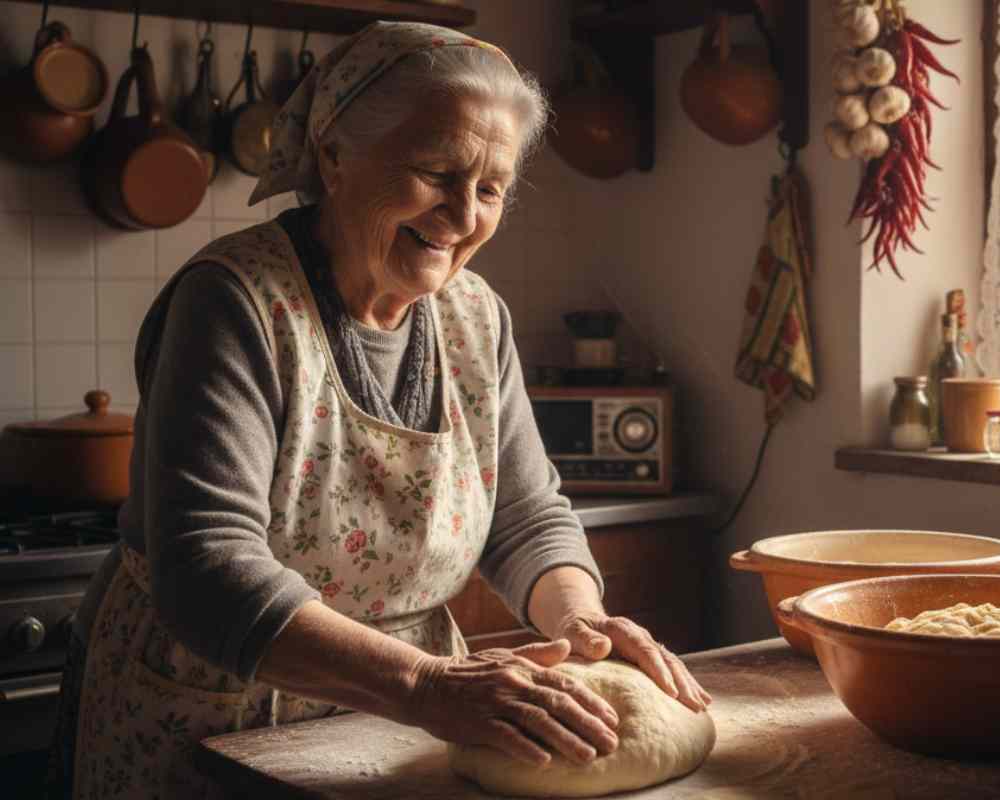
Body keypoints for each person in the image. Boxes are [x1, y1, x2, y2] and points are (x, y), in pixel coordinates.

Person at [47, 21, 709, 798]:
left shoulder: (476, 317)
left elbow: (525, 515)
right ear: (333, 155)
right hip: (216, 706)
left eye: (490, 188)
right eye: (435, 172)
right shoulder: (234, 303)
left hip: (402, 717)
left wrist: (580, 621)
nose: (463, 217)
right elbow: (207, 567)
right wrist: (427, 688)